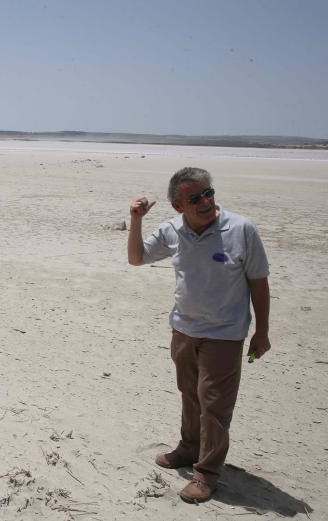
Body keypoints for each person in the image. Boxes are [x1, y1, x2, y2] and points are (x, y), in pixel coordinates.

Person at [127, 167, 271, 503]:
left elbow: (259, 283)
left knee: (215, 406)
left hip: (224, 334)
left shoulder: (241, 229)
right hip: (184, 329)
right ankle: (189, 448)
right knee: (190, 395)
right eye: (195, 198)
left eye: (209, 193)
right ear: (178, 206)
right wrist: (135, 220)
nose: (206, 201)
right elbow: (136, 259)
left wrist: (261, 332)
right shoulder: (172, 230)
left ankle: (206, 473)